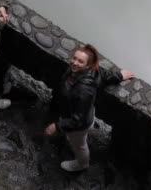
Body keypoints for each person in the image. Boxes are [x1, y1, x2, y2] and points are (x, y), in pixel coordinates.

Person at [44, 44, 135, 172]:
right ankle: (76, 139)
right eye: (74, 58)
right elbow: (104, 76)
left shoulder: (84, 90)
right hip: (83, 114)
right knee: (77, 139)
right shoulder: (90, 71)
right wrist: (119, 75)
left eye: (80, 61)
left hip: (79, 124)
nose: (74, 62)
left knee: (80, 146)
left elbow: (77, 120)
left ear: (87, 65)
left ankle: (82, 164)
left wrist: (57, 126)